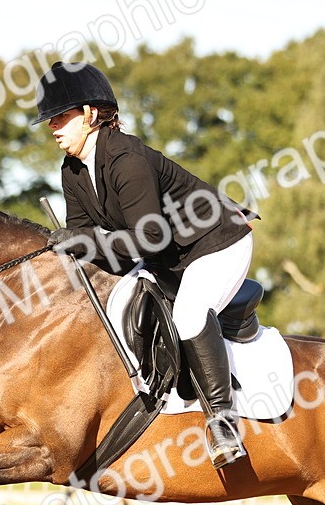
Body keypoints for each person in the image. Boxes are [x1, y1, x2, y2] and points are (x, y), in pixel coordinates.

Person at [32, 61, 258, 464]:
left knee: (189, 315)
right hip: (169, 256)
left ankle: (223, 424)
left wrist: (84, 240)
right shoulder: (73, 171)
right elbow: (90, 243)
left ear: (90, 114)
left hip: (216, 242)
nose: (53, 127)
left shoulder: (127, 158)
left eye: (61, 116)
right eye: (50, 120)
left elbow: (149, 238)